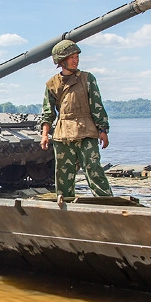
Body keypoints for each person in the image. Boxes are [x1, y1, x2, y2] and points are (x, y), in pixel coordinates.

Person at [40, 40, 112, 198]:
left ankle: (108, 202)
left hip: (86, 131)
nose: (75, 60)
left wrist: (103, 130)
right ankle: (64, 207)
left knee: (94, 169)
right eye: (71, 57)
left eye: (77, 56)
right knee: (63, 176)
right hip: (62, 134)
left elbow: (97, 105)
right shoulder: (52, 84)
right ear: (61, 60)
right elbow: (48, 112)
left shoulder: (87, 79)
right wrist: (45, 134)